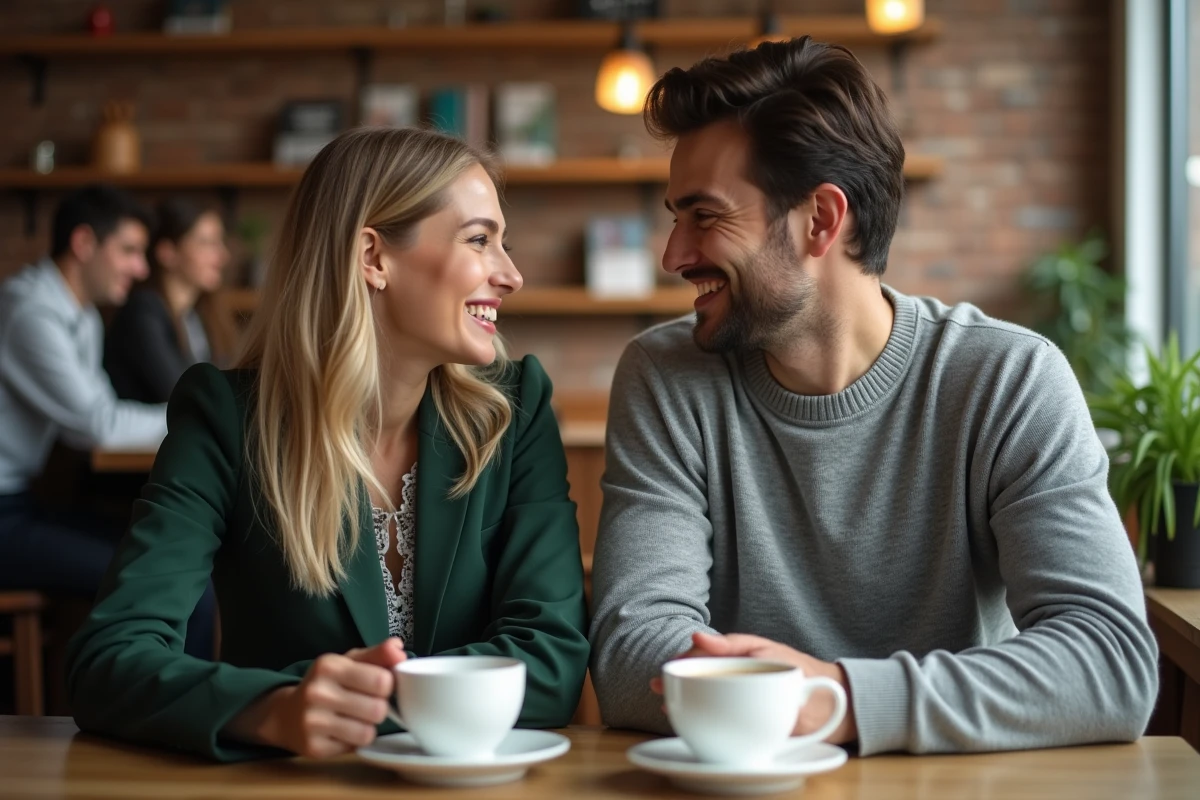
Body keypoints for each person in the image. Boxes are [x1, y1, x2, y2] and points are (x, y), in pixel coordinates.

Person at [588, 37, 1158, 756]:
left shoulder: (1008, 381)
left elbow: (1110, 664)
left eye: (704, 216)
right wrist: (797, 699)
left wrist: (837, 698)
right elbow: (632, 654)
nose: (672, 255)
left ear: (822, 221)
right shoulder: (666, 376)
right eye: (676, 217)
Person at [66, 127, 590, 761]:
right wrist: (272, 710)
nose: (511, 274)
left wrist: (360, 704)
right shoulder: (227, 420)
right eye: (479, 240)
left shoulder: (517, 410)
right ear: (373, 257)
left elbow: (553, 660)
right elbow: (109, 660)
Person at [0, 184, 166, 595]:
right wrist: (196, 411)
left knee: (170, 557)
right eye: (128, 250)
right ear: (83, 243)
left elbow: (94, 419)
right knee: (159, 579)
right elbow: (100, 426)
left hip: (21, 503)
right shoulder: (31, 312)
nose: (141, 269)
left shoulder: (82, 314)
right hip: (5, 515)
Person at [105, 197, 238, 403]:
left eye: (219, 243)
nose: (222, 255)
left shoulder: (196, 315)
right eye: (207, 243)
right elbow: (183, 397)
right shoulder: (143, 312)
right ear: (168, 253)